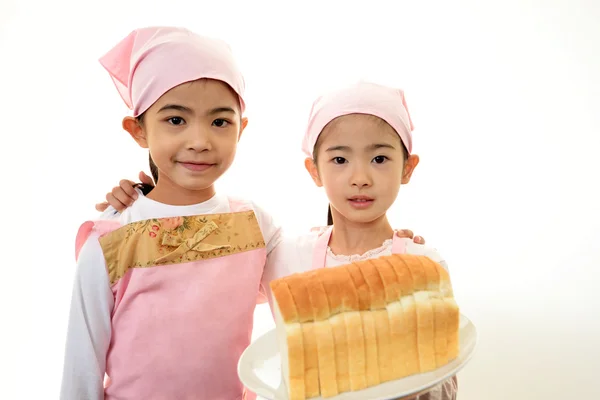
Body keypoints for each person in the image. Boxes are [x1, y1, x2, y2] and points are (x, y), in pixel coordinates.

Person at [98, 81, 457, 399]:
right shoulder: (286, 256)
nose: (360, 177)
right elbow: (204, 280)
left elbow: (444, 372)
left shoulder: (423, 265)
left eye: (379, 158)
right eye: (340, 159)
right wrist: (146, 205)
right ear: (314, 170)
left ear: (407, 168)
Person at [60, 26, 282, 400]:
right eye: (176, 120)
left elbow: (314, 289)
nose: (199, 141)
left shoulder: (255, 225)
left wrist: (388, 245)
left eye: (219, 121)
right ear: (138, 130)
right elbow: (81, 370)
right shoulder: (112, 241)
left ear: (241, 129)